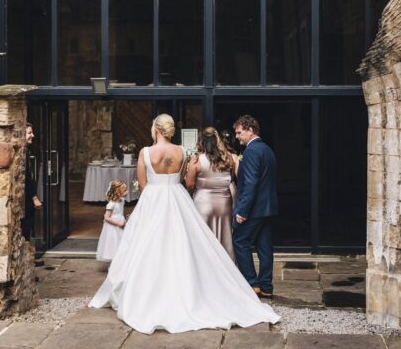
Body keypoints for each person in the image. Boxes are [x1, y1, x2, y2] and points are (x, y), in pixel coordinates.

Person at [89, 114, 279, 334]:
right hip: (177, 198)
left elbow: (142, 185)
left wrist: (155, 191)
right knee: (184, 243)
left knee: (147, 244)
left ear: (156, 130)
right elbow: (181, 180)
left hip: (154, 198)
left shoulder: (145, 152)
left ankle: (149, 291)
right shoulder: (181, 151)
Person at [232, 115, 278, 299]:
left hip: (254, 209)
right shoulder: (267, 149)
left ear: (251, 130)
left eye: (239, 132)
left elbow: (251, 183)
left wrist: (242, 211)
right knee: (265, 247)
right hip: (268, 208)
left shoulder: (251, 152)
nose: (237, 136)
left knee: (240, 242)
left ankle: (252, 284)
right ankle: (266, 286)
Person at [185, 127, 239, 262]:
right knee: (225, 236)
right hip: (224, 202)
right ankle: (227, 267)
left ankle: (206, 266)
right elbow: (231, 179)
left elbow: (190, 184)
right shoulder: (230, 158)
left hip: (204, 202)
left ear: (201, 141)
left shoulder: (196, 160)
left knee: (204, 237)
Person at [96, 180, 128, 262]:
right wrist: (118, 223)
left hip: (121, 222)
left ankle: (121, 259)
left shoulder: (122, 200)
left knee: (122, 241)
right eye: (124, 190)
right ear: (118, 192)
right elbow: (106, 217)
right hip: (113, 226)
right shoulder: (111, 204)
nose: (127, 192)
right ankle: (114, 261)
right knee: (114, 242)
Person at [21, 123, 43, 241]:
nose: (32, 135)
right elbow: (27, 177)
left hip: (27, 196)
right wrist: (34, 197)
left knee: (28, 225)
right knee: (26, 224)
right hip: (25, 197)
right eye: (29, 133)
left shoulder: (26, 151)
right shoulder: (22, 153)